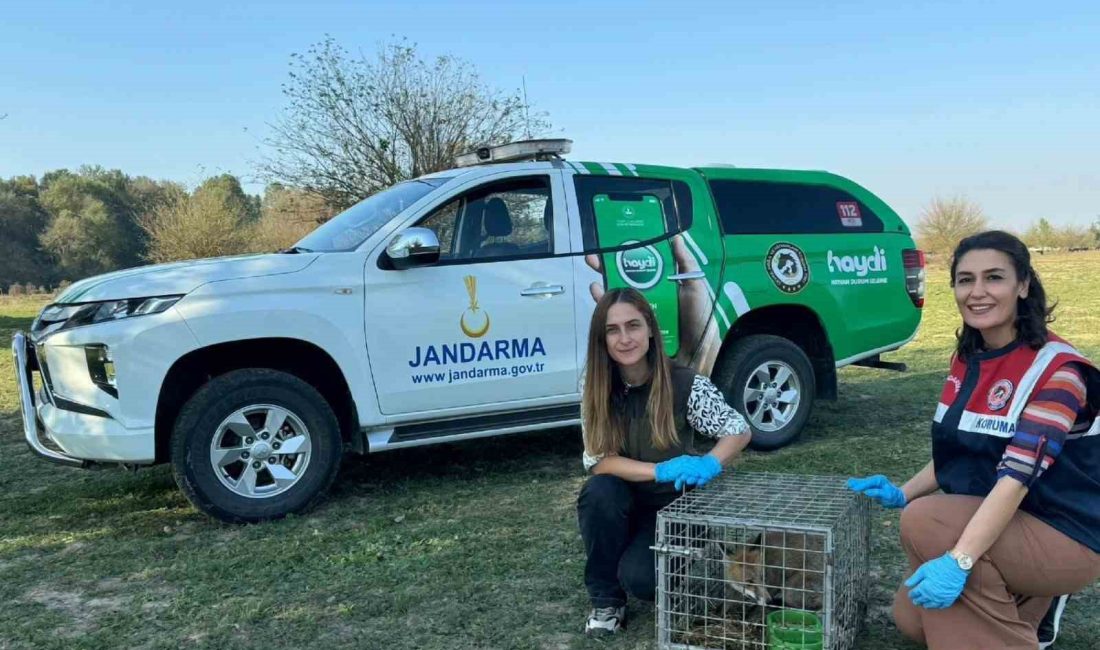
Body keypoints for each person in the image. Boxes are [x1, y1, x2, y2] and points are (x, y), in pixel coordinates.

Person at [848, 231, 1100, 649]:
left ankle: (1034, 601)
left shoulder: (1057, 371)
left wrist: (959, 560)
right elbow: (965, 448)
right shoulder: (968, 358)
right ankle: (1029, 605)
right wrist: (902, 492)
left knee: (927, 522)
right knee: (911, 619)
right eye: (965, 280)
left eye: (994, 278)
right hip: (1012, 521)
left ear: (1022, 285)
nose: (977, 292)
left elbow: (1015, 478)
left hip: (1068, 530)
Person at [576, 287, 751, 635]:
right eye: (613, 330)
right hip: (623, 500)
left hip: (675, 506)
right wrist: (659, 469)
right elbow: (598, 460)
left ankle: (651, 561)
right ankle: (606, 601)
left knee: (642, 581)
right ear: (602, 339)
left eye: (633, 325)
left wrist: (710, 463)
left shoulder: (685, 383)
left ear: (651, 329)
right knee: (598, 492)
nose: (625, 338)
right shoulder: (595, 386)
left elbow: (739, 429)